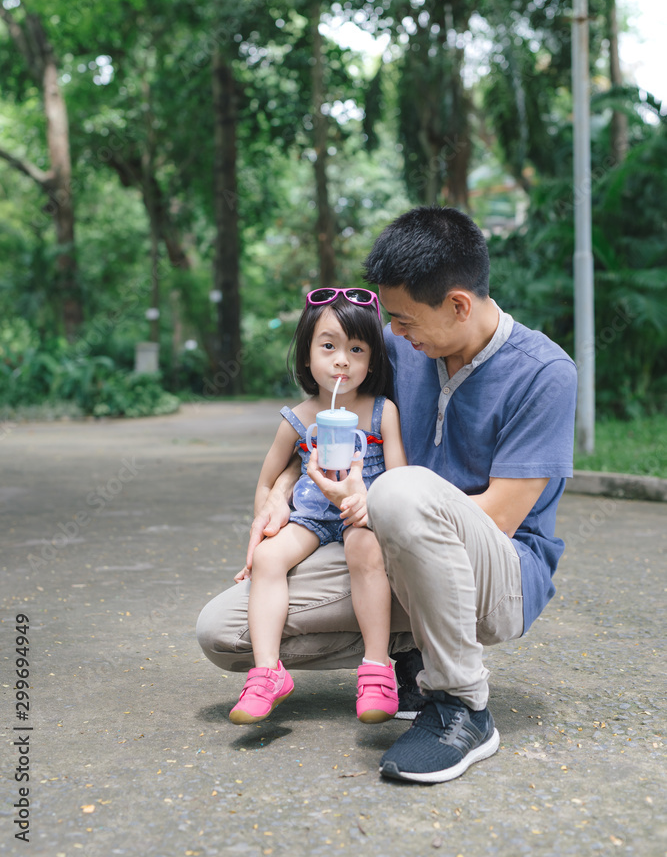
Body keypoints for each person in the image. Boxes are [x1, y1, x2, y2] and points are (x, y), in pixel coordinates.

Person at [196, 206, 577, 785]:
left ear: (457, 305)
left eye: (403, 320)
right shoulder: (405, 350)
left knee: (398, 490)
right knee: (225, 631)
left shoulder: (545, 374)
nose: (392, 334)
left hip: (498, 578)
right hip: (388, 555)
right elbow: (324, 423)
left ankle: (462, 707)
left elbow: (500, 517)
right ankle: (406, 661)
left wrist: (375, 502)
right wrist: (278, 489)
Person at [227, 287, 407, 726]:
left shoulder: (382, 413)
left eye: (356, 349)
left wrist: (374, 506)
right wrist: (266, 519)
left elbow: (402, 480)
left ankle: (377, 667)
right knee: (270, 557)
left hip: (359, 514)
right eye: (328, 346)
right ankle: (268, 673)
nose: (342, 360)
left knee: (364, 551)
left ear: (372, 360)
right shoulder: (299, 417)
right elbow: (268, 479)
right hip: (310, 515)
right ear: (307, 356)